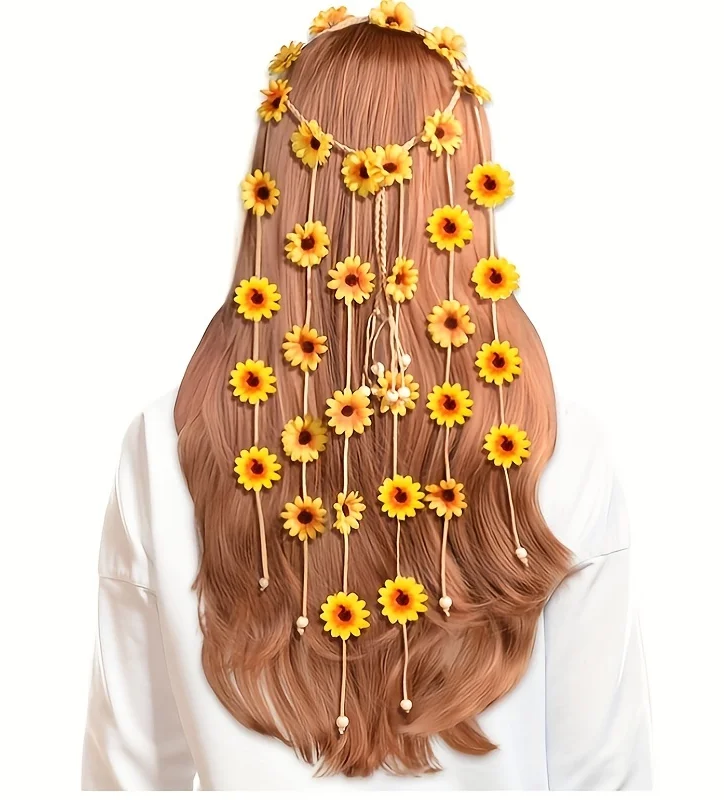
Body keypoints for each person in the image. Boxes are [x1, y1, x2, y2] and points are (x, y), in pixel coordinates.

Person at [81, 5, 652, 790]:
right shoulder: (565, 448)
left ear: (277, 186)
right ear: (463, 191)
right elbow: (604, 778)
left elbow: (130, 774)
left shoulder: (164, 445)